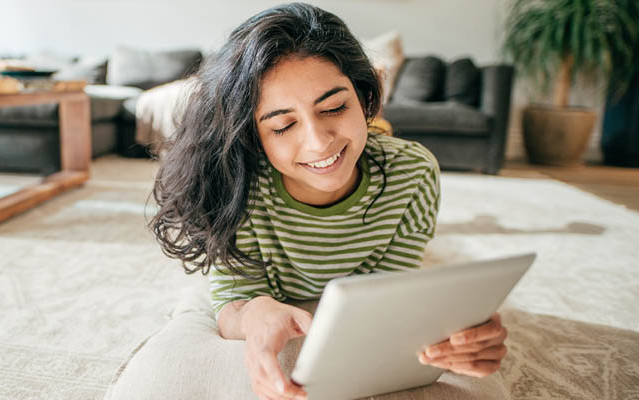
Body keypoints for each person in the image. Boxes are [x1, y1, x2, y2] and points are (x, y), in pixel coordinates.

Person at [149, 3, 508, 400]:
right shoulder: (237, 186)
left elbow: (388, 291)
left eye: (335, 107)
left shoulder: (413, 174)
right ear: (253, 134)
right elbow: (235, 298)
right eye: (283, 125)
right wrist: (253, 312)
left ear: (366, 94)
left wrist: (454, 328)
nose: (319, 142)